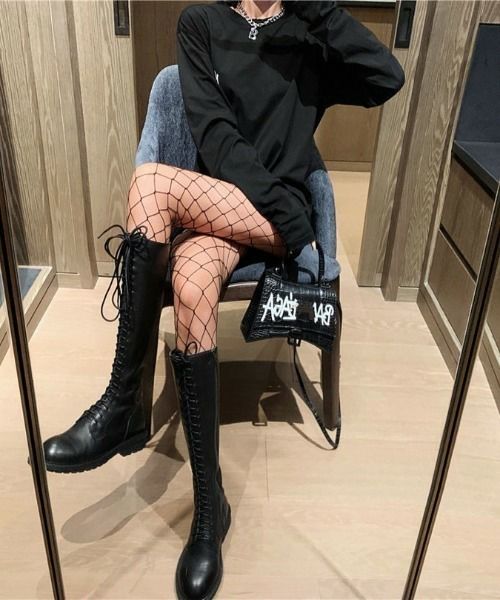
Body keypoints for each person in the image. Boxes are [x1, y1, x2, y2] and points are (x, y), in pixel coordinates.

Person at [41, 1, 405, 598]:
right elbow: (213, 133)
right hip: (223, 208)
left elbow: (387, 77)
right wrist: (291, 218)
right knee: (189, 283)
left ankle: (124, 401)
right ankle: (210, 511)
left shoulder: (309, 33)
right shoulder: (202, 24)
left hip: (273, 217)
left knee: (151, 184)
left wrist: (314, 8)